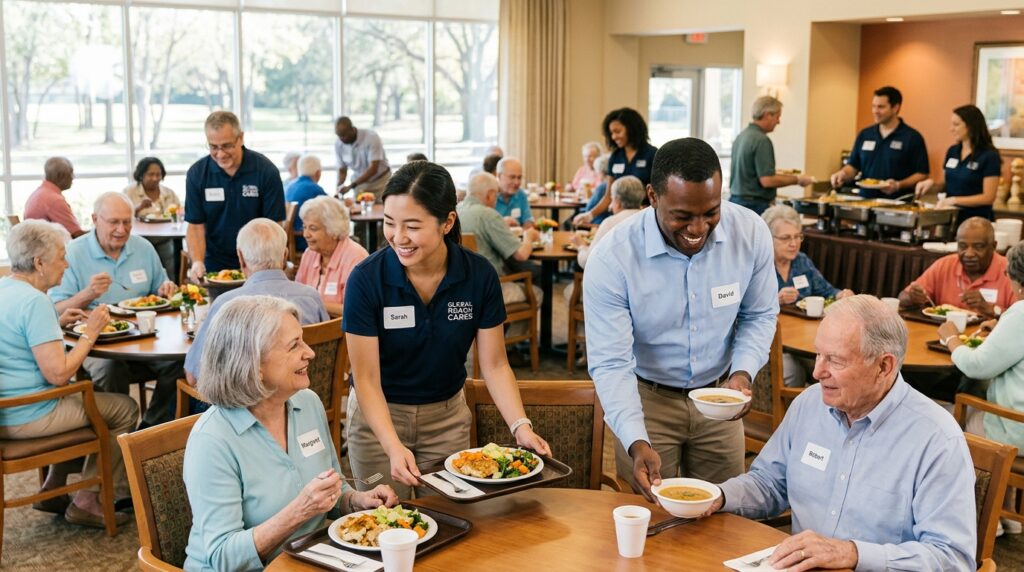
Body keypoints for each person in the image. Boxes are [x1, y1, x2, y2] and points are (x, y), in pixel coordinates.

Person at [706, 295, 976, 572]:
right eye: (818, 355)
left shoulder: (936, 439)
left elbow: (952, 557)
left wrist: (854, 554)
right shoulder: (809, 405)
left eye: (835, 360)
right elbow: (771, 483)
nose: (816, 372)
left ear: (884, 366)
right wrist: (718, 495)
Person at [343, 161, 550, 499]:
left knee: (450, 518)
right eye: (390, 224)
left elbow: (496, 364)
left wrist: (520, 425)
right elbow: (365, 378)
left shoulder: (478, 275)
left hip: (446, 419)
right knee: (384, 520)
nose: (399, 237)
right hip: (378, 420)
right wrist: (392, 446)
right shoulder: (367, 279)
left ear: (447, 222)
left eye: (412, 226)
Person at [585, 138, 778, 499]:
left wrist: (742, 373)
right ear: (653, 197)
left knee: (724, 517)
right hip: (647, 401)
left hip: (720, 399)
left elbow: (760, 314)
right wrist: (635, 440)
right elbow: (611, 363)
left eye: (711, 212)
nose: (698, 228)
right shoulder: (614, 257)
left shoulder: (749, 233)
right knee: (650, 519)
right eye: (683, 216)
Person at [183, 295, 398, 570]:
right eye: (294, 345)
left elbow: (333, 489)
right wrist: (300, 510)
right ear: (254, 364)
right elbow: (224, 557)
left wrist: (357, 500)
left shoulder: (307, 403)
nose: (310, 353)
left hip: (311, 560)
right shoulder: (212, 441)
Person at [0, 220, 137, 528]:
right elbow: (58, 375)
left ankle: (52, 487)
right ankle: (88, 499)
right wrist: (90, 333)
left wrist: (57, 323)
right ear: (38, 262)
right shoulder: (35, 301)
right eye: (61, 256)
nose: (66, 264)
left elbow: (18, 341)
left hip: (7, 411)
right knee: (124, 409)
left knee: (83, 392)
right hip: (28, 416)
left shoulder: (6, 289)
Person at [49, 193, 182, 427]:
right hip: (97, 345)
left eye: (127, 222)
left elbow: (160, 290)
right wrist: (88, 294)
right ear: (94, 219)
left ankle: (149, 429)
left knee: (183, 362)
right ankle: (118, 435)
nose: (122, 229)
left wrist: (166, 289)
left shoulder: (143, 247)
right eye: (113, 222)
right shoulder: (73, 253)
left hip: (145, 339)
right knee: (111, 369)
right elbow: (55, 311)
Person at [938, 242, 1024, 536]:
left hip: (1017, 430)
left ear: (1015, 278)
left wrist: (951, 339)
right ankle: (1006, 514)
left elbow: (976, 365)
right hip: (1019, 423)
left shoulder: (1021, 313)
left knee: (952, 420)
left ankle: (982, 520)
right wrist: (1000, 325)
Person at [184, 218, 328, 384]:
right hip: (309, 398)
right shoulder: (312, 298)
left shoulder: (226, 304)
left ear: (241, 257)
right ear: (285, 255)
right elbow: (325, 357)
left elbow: (194, 377)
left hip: (249, 407)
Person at [184, 111, 286, 281]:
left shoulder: (266, 171)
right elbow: (195, 225)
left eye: (227, 145)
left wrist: (266, 266)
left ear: (241, 138)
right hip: (214, 264)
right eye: (213, 147)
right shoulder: (197, 173)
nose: (221, 154)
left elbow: (274, 225)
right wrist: (197, 262)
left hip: (257, 264)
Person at [458, 172, 543, 343]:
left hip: (462, 289)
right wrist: (529, 236)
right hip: (491, 290)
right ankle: (509, 346)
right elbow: (521, 254)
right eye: (495, 194)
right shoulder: (488, 215)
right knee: (537, 291)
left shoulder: (455, 212)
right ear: (490, 194)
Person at [899, 217, 1016, 319]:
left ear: (994, 246)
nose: (969, 253)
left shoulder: (1011, 271)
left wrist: (991, 309)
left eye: (978, 247)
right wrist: (912, 297)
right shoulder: (945, 265)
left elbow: (1020, 318)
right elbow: (903, 297)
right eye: (962, 246)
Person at [829, 86, 929, 200]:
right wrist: (842, 174)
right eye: (873, 106)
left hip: (897, 203)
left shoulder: (912, 137)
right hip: (865, 201)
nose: (875, 111)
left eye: (881, 107)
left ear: (895, 107)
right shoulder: (865, 134)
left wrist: (898, 185)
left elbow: (922, 173)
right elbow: (853, 165)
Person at [916, 104, 1002, 226]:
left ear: (971, 126)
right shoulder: (953, 151)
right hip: (950, 218)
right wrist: (931, 184)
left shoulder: (989, 156)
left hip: (976, 221)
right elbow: (945, 184)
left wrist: (954, 200)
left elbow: (988, 197)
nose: (951, 129)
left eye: (956, 125)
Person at [728, 96, 814, 215]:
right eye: (778, 117)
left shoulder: (741, 136)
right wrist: (798, 180)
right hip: (754, 205)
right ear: (768, 115)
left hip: (735, 202)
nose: (778, 122)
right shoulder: (762, 140)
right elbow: (767, 180)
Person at [573, 108, 658, 226]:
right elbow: (609, 196)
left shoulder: (652, 154)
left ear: (632, 129)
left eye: (617, 131)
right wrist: (589, 215)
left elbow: (657, 193)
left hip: (645, 216)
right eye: (611, 133)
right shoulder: (615, 157)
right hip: (619, 217)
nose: (613, 137)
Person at [295, 196, 369, 306]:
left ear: (333, 230)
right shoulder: (309, 254)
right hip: (311, 322)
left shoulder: (356, 258)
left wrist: (315, 305)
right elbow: (298, 295)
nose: (306, 235)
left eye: (313, 228)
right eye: (304, 227)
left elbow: (356, 310)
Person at [123, 156, 181, 279]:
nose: (155, 178)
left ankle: (170, 285)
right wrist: (139, 207)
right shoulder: (129, 192)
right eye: (150, 174)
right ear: (141, 175)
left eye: (158, 175)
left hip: (164, 237)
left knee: (169, 251)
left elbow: (180, 211)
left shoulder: (168, 193)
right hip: (138, 238)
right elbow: (121, 215)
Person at [572, 175, 644, 269]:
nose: (610, 206)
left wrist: (581, 245)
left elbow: (588, 261)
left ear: (617, 202)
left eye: (612, 199)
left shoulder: (610, 223)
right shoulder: (649, 219)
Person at [23, 156, 85, 238]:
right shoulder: (54, 201)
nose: (73, 177)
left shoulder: (40, 192)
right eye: (71, 173)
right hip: (48, 248)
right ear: (61, 176)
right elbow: (76, 235)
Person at [334, 116, 391, 201]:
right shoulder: (339, 144)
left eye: (344, 135)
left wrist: (351, 186)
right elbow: (342, 170)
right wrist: (339, 186)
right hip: (359, 184)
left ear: (352, 129)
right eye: (339, 136)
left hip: (380, 182)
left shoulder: (371, 137)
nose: (341, 139)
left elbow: (373, 169)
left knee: (382, 210)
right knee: (359, 211)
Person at [284, 154, 328, 251]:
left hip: (291, 240)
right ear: (318, 173)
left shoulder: (290, 186)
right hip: (305, 240)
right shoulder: (315, 190)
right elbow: (332, 213)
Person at [494, 157, 534, 228]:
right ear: (499, 176)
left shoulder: (521, 195)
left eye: (519, 177)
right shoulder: (490, 196)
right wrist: (501, 223)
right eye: (512, 177)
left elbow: (528, 219)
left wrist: (528, 225)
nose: (516, 182)